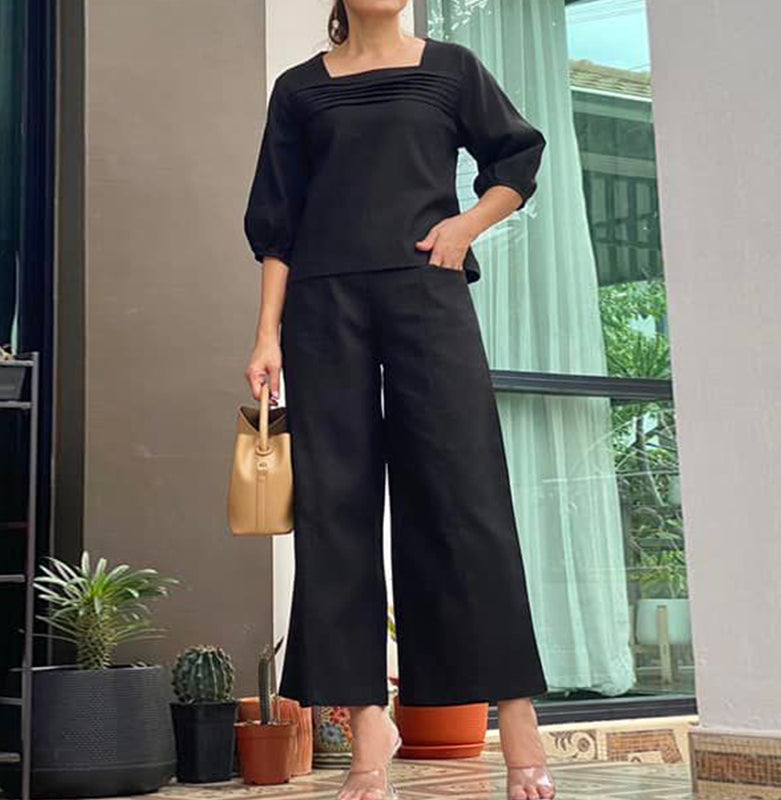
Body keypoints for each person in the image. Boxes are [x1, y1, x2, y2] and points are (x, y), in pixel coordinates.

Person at [243, 2, 555, 798]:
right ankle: (367, 729)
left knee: (464, 496)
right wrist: (267, 334)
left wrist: (465, 226)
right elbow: (277, 224)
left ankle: (516, 714)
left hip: (426, 291)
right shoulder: (299, 89)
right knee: (335, 510)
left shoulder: (451, 69)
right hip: (323, 307)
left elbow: (516, 157)